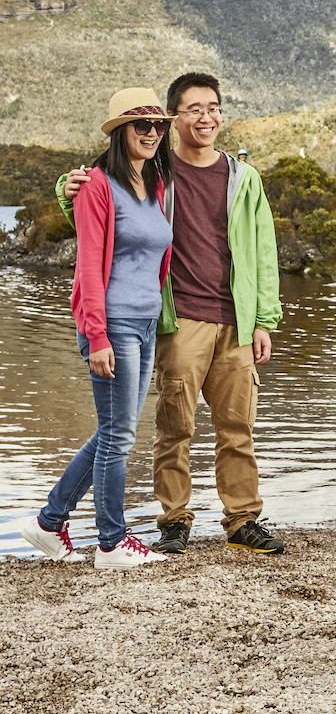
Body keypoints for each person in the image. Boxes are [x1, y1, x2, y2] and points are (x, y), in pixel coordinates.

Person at [60, 72, 284, 556]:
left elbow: (265, 251)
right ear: (174, 118)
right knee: (174, 425)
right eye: (194, 109)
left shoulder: (244, 178)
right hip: (181, 319)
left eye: (214, 107)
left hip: (238, 322)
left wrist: (265, 318)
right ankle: (174, 521)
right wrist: (66, 186)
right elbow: (103, 209)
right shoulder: (155, 174)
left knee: (237, 427)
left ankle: (242, 521)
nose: (206, 117)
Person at [22, 88, 175, 569]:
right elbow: (88, 265)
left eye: (158, 125)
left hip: (146, 322)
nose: (152, 132)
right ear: (119, 132)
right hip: (112, 323)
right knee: (118, 436)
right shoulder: (96, 185)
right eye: (141, 125)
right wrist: (97, 336)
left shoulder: (156, 187)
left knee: (116, 432)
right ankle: (111, 542)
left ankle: (49, 522)